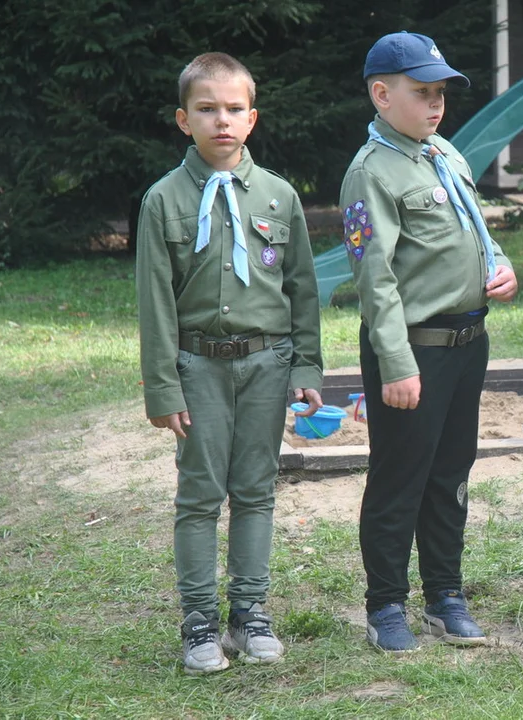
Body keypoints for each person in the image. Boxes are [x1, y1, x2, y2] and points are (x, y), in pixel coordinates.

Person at [136, 52, 324, 674]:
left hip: (267, 364)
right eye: (207, 109)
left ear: (252, 117)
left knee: (255, 492)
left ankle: (249, 613)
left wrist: (305, 370)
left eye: (234, 109)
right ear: (183, 120)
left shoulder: (279, 196)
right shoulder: (162, 200)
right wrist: (163, 387)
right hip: (198, 367)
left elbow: (302, 290)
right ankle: (198, 622)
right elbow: (155, 302)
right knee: (198, 496)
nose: (222, 121)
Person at [338, 32, 518, 654]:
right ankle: (386, 605)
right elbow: (375, 279)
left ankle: (446, 596)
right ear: (382, 95)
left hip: (468, 342)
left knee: (450, 474)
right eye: (422, 93)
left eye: (441, 92)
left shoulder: (444, 152)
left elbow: (471, 227)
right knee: (400, 479)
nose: (436, 104)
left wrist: (500, 264)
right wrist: (395, 363)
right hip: (413, 350)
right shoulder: (371, 173)